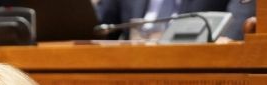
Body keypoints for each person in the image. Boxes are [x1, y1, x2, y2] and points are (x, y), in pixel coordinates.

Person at [97, 0, 256, 40]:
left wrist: (227, 41)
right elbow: (98, 29)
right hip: (129, 68)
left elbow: (241, 13)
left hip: (197, 70)